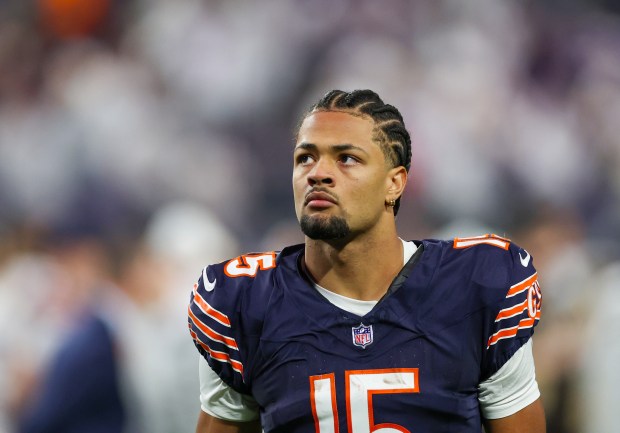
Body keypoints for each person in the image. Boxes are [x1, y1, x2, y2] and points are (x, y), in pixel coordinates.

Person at [187, 89, 546, 432]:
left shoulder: (476, 286)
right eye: (305, 157)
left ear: (395, 184)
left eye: (347, 158)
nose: (318, 173)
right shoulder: (244, 305)